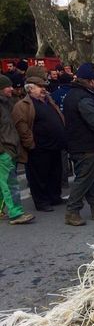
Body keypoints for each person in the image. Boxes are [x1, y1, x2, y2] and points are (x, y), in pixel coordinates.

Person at [62, 62, 94, 226]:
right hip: (86, 144)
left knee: (92, 178)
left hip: (80, 143)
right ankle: (72, 211)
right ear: (91, 81)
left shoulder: (73, 94)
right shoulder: (84, 97)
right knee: (84, 178)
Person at [12, 66, 67, 212]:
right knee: (39, 176)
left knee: (55, 173)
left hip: (54, 146)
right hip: (39, 148)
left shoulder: (48, 100)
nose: (43, 89)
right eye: (40, 86)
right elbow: (22, 127)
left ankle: (55, 197)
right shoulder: (23, 105)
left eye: (44, 86)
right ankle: (41, 201)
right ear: (30, 88)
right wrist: (31, 144)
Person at [0, 75, 35, 224]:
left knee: (3, 183)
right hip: (5, 150)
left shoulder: (6, 103)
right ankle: (16, 214)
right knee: (10, 183)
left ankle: (1, 210)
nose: (12, 88)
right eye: (8, 86)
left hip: (9, 149)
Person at [51, 73, 75, 188]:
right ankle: (80, 177)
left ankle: (64, 180)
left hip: (60, 128)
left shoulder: (54, 94)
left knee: (63, 156)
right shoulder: (75, 93)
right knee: (77, 154)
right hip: (75, 128)